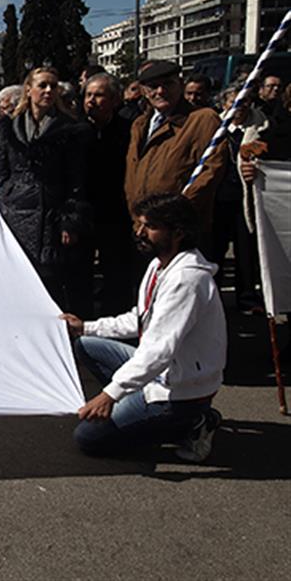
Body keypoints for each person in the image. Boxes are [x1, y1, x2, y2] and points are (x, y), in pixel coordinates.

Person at [61, 193, 226, 462]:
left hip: (180, 390)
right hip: (161, 374)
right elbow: (140, 318)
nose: (139, 233)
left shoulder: (187, 281)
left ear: (178, 232)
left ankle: (193, 423)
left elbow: (159, 350)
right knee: (86, 344)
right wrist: (86, 327)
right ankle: (142, 407)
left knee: (88, 438)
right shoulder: (159, 265)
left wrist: (110, 395)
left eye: (149, 227)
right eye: (138, 224)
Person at [0, 67, 90, 308]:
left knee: (49, 284)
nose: (48, 91)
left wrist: (70, 220)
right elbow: (1, 171)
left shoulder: (70, 130)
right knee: (16, 281)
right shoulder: (8, 128)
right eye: (42, 85)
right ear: (28, 89)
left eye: (53, 86)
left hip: (50, 216)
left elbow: (77, 180)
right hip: (15, 213)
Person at [123, 60, 225, 257]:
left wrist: (172, 218)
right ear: (144, 90)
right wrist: (141, 220)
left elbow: (210, 173)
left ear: (180, 84)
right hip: (145, 230)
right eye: (153, 86)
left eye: (167, 84)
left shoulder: (202, 119)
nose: (160, 91)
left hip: (179, 233)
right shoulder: (139, 125)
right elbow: (132, 176)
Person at [81, 73, 135, 317]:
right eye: (88, 95)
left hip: (116, 212)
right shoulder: (76, 130)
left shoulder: (129, 130)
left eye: (99, 95)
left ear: (114, 100)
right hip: (83, 212)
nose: (91, 101)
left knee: (117, 272)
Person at [211, 89, 266, 313]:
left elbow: (268, 155)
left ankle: (247, 298)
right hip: (219, 198)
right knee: (215, 251)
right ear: (225, 105)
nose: (240, 107)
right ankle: (212, 299)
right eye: (235, 102)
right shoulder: (216, 128)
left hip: (246, 199)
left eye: (244, 102)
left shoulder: (261, 128)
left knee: (245, 251)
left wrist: (257, 167)